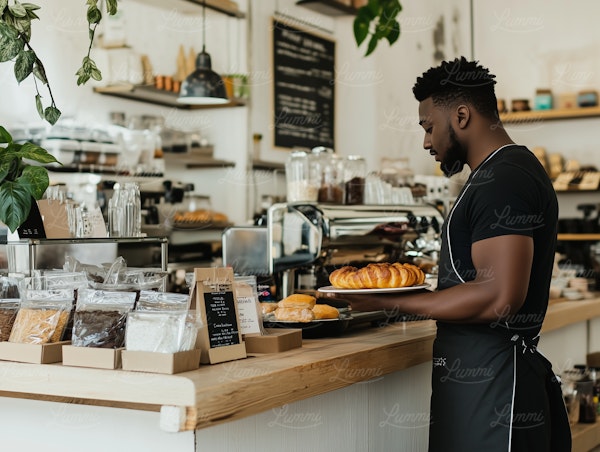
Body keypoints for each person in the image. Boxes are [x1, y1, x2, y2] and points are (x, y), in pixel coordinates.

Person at [326, 57, 571, 451]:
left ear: (461, 115)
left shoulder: (503, 179)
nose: (426, 141)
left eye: (428, 126)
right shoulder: (496, 173)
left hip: (497, 392)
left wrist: (393, 302)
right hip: (479, 386)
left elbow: (499, 296)